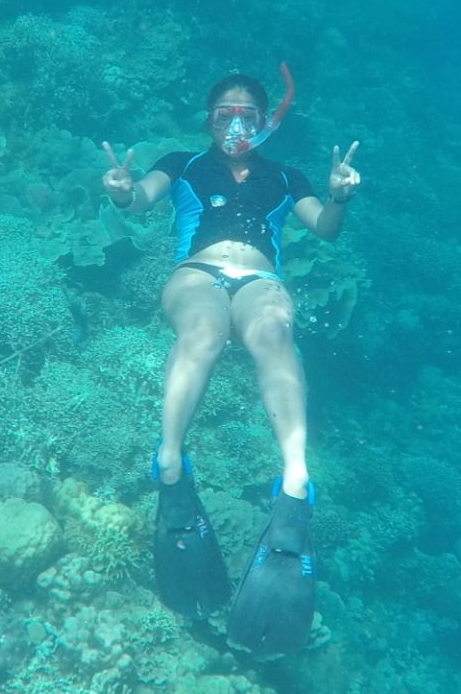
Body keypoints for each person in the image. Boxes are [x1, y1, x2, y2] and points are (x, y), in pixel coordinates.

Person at [99, 67, 362, 656]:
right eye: (224, 115)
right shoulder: (184, 162)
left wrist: (341, 196)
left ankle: (295, 478)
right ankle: (170, 462)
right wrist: (121, 190)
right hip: (197, 274)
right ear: (208, 120)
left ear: (267, 123)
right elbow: (139, 200)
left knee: (274, 330)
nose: (236, 126)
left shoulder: (287, 176)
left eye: (248, 116)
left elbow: (325, 230)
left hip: (260, 280)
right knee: (205, 329)